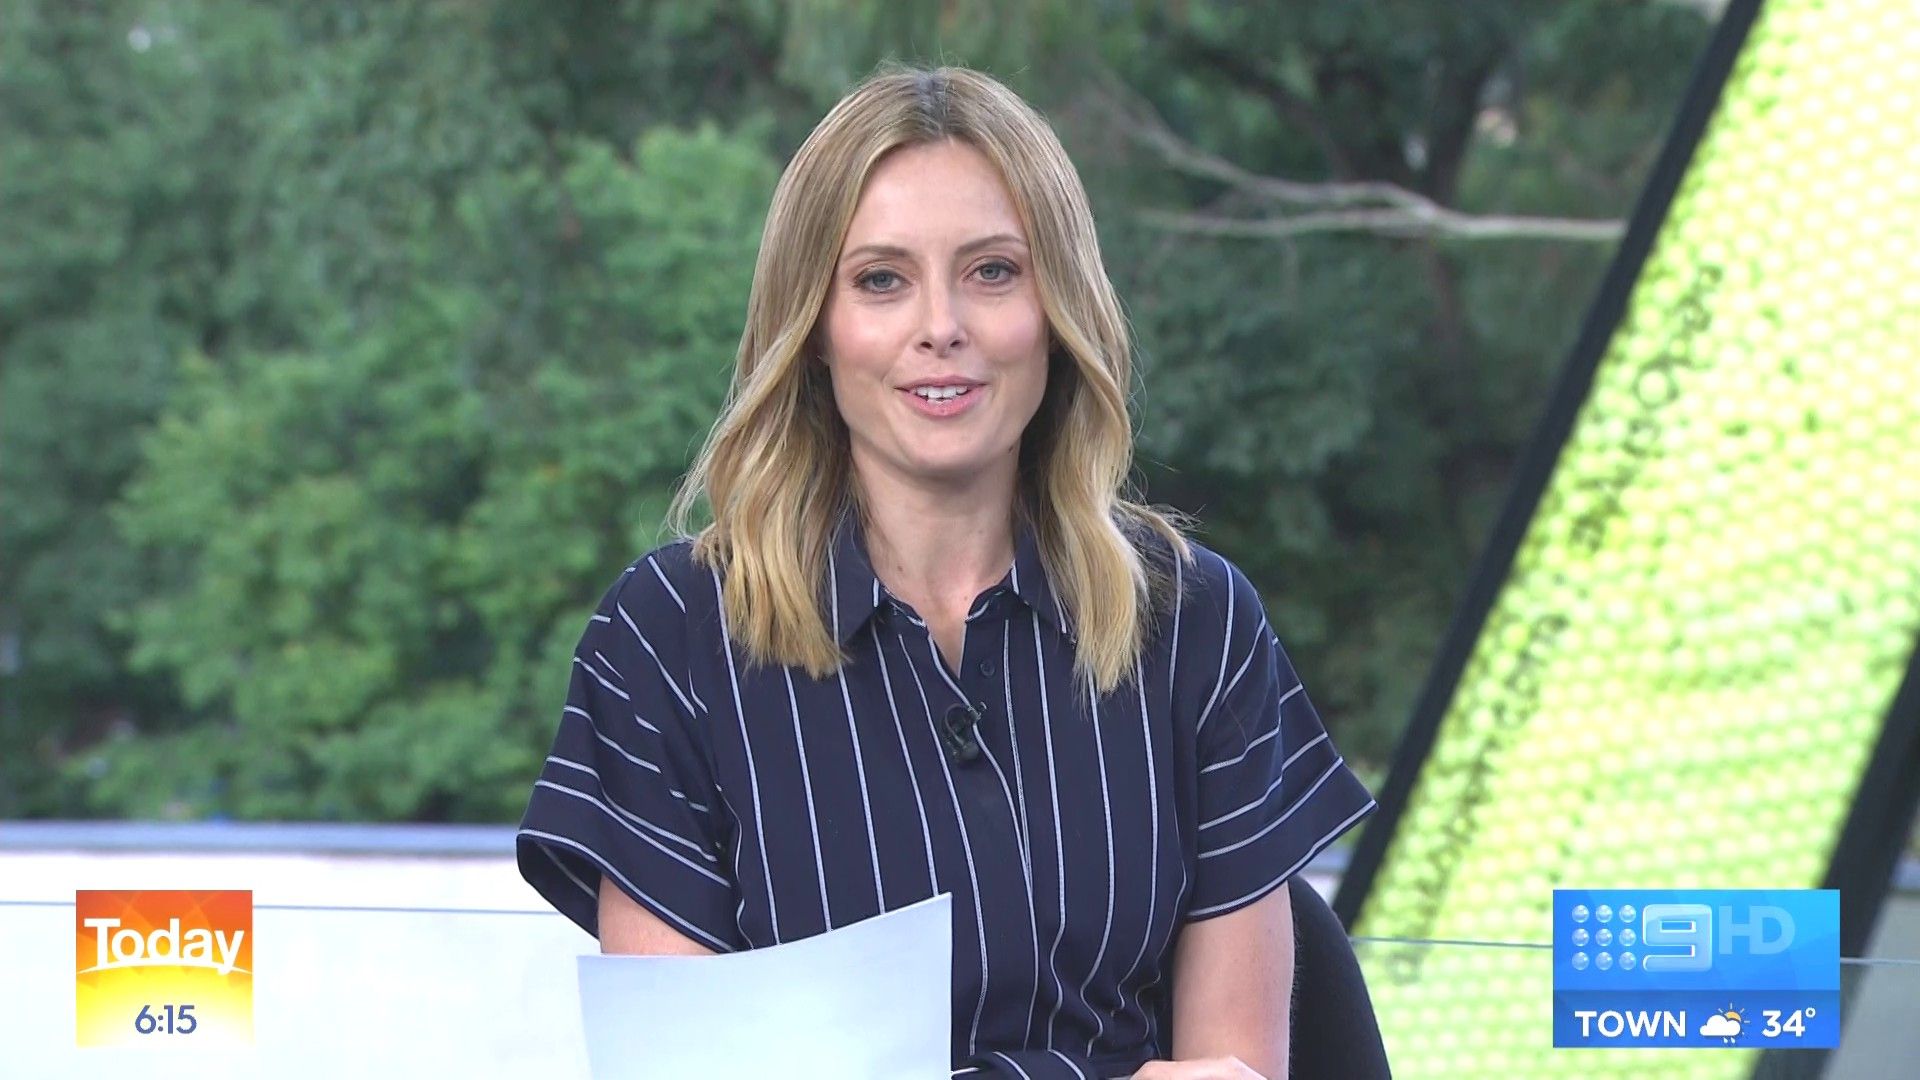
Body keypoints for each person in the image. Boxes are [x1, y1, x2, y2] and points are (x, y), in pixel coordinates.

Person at [516, 65, 1377, 1080]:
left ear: (1057, 308)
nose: (942, 326)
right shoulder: (667, 638)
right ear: (815, 327)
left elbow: (1236, 1070)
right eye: (881, 280)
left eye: (993, 271)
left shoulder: (1198, 621)